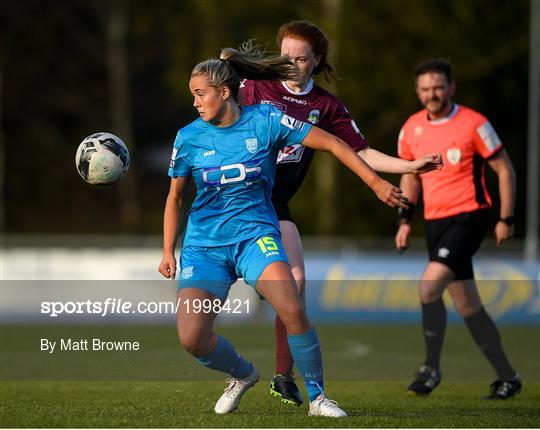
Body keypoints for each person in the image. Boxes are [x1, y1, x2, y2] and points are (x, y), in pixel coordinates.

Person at [158, 42, 413, 417]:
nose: (195, 102)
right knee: (192, 339)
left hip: (255, 238)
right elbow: (176, 197)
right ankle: (242, 375)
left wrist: (376, 183)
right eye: (192, 95)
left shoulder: (267, 120)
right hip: (204, 247)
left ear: (224, 92)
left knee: (293, 307)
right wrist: (168, 250)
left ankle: (318, 398)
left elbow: (335, 143)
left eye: (200, 94)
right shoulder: (188, 137)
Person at [240, 20, 443, 406]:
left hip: (274, 203)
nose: (292, 64)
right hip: (238, 198)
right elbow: (216, 104)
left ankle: (282, 377)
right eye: (285, 56)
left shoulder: (326, 106)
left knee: (297, 281)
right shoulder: (255, 88)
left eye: (301, 59)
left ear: (316, 61)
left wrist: (410, 166)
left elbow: (361, 153)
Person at [395, 58, 521, 399]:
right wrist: (405, 220)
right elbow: (410, 176)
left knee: (428, 287)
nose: (431, 94)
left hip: (469, 217)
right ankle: (508, 376)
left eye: (438, 87)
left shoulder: (474, 123)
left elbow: (505, 170)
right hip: (434, 223)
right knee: (468, 306)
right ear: (418, 92)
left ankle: (430, 368)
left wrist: (505, 218)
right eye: (425, 89)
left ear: (451, 88)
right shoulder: (411, 128)